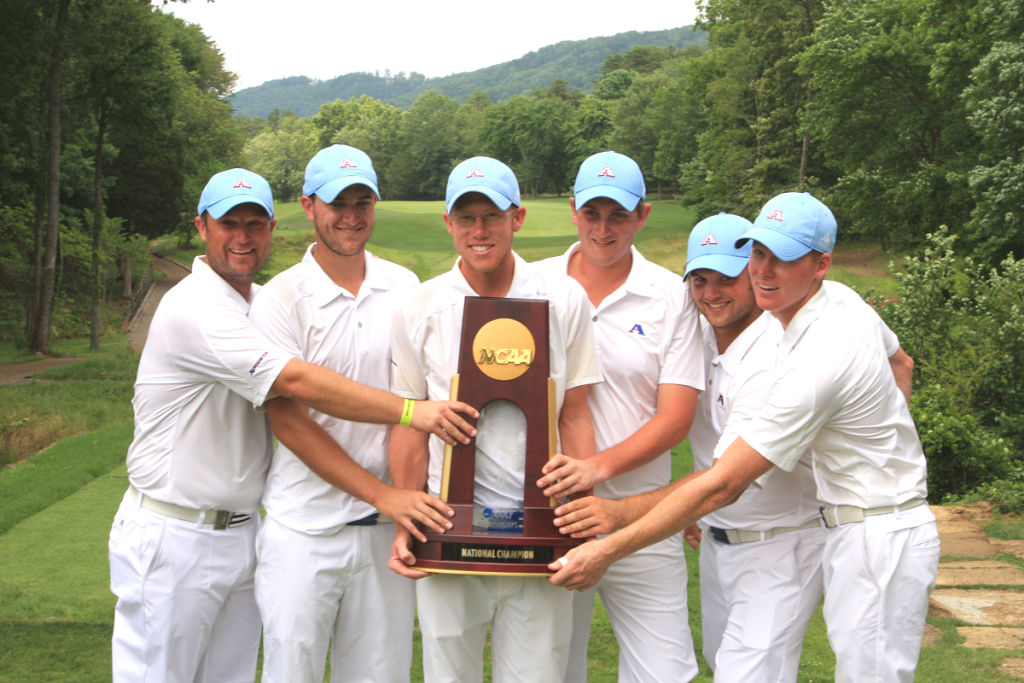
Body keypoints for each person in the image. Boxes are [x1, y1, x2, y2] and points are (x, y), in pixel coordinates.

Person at [550, 192, 938, 683]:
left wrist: (608, 541)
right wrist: (878, 441)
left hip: (872, 528)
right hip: (840, 523)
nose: (765, 271)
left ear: (821, 264)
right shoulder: (839, 299)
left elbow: (722, 483)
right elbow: (900, 361)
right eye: (758, 253)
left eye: (785, 258)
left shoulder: (810, 362)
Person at [108, 167, 477, 683]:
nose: (243, 237)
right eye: (228, 223)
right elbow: (295, 385)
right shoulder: (198, 307)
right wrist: (413, 411)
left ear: (272, 228)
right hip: (174, 532)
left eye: (255, 224)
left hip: (240, 530)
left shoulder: (254, 303)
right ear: (201, 227)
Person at [388, 156, 602, 683]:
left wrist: (581, 515)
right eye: (466, 218)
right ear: (449, 223)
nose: (479, 231)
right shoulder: (420, 306)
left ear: (518, 218)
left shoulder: (565, 297)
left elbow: (573, 414)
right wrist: (406, 516)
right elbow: (408, 421)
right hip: (449, 532)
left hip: (540, 534)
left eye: (492, 216)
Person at [249, 145, 446, 683]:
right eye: (338, 203)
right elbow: (287, 419)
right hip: (303, 531)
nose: (352, 216)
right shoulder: (279, 298)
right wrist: (383, 494)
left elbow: (426, 404)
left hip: (387, 529)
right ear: (309, 205)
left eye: (363, 201)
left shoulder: (406, 287)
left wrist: (400, 504)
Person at [532, 151, 702, 683]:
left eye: (618, 216)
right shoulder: (532, 285)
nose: (603, 229)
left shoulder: (673, 296)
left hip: (643, 514)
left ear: (642, 216)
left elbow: (675, 416)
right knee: (553, 667)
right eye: (592, 213)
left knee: (663, 672)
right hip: (551, 512)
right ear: (573, 211)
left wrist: (596, 470)